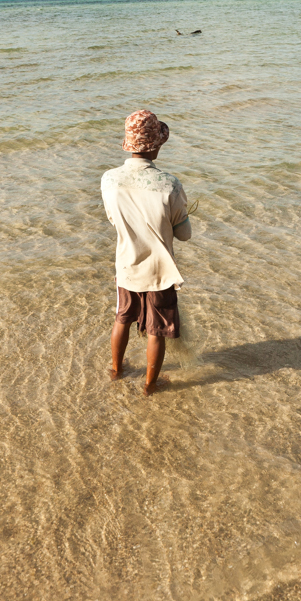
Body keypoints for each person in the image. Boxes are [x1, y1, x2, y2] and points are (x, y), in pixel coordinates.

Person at [101, 109, 192, 395]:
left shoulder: (109, 179)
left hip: (127, 266)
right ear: (156, 145)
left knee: (122, 318)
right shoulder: (170, 184)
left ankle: (116, 370)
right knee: (157, 331)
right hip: (159, 272)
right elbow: (184, 234)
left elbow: (113, 219)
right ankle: (150, 386)